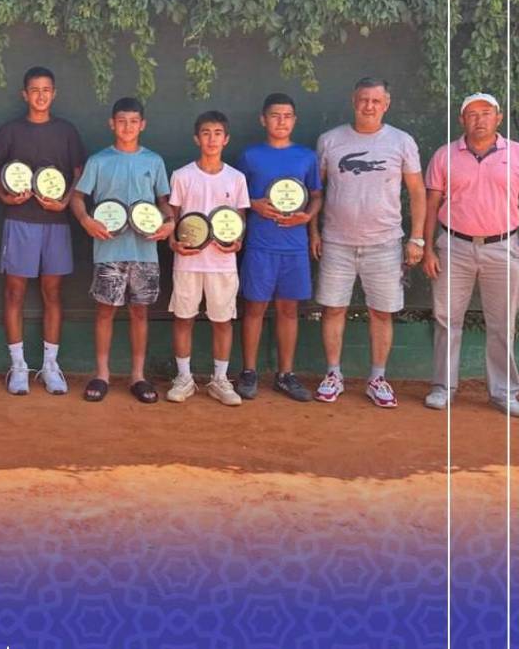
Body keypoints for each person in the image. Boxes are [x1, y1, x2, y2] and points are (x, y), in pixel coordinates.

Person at [310, 78, 426, 408]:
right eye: (364, 99)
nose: (369, 106)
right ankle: (333, 374)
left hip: (385, 244)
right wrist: (314, 232)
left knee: (381, 312)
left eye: (376, 101)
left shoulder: (402, 141)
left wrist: (417, 238)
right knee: (333, 309)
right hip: (336, 242)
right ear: (354, 101)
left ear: (386, 104)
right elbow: (315, 192)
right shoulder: (329, 140)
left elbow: (417, 192)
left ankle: (377, 378)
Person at [0, 67, 86, 395]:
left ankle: (50, 366)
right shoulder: (11, 130)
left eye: (46, 90)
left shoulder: (66, 131)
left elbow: (79, 172)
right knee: (14, 292)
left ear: (53, 93)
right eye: (34, 90)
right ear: (24, 94)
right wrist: (5, 198)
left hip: (56, 224)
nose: (40, 96)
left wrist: (65, 202)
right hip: (19, 222)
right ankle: (18, 366)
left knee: (52, 293)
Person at [70, 97, 173, 404]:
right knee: (105, 310)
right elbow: (77, 197)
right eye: (121, 121)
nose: (127, 127)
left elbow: (164, 202)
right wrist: (86, 221)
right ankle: (102, 374)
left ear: (142, 125)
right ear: (111, 124)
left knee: (140, 312)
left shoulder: (153, 161)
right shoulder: (99, 161)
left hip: (145, 251)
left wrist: (169, 223)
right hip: (109, 249)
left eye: (133, 121)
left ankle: (138, 376)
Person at [422, 93, 519, 415]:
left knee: (502, 323)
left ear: (499, 118)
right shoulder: (444, 155)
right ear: (462, 119)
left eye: (486, 113)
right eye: (472, 114)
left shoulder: (516, 154)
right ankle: (442, 387)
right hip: (454, 247)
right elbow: (431, 205)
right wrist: (427, 249)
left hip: (504, 247)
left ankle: (504, 392)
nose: (480, 119)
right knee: (446, 320)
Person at [235, 93, 322, 402]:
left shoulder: (307, 157)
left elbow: (316, 195)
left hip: (294, 247)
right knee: (254, 308)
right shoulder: (249, 156)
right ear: (263, 119)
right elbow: (235, 196)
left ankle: (285, 374)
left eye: (287, 116)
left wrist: (307, 217)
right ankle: (249, 372)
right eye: (275, 115)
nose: (281, 121)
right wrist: (253, 204)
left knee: (288, 310)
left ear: (294, 120)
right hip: (260, 245)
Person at [167, 110, 249, 407]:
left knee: (222, 322)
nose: (212, 139)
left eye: (217, 134)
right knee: (183, 318)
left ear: (226, 139)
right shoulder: (182, 175)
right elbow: (172, 217)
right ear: (196, 138)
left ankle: (220, 380)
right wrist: (173, 242)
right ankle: (184, 378)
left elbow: (239, 219)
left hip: (222, 264)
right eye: (206, 133)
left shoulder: (236, 178)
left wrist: (237, 240)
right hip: (188, 262)